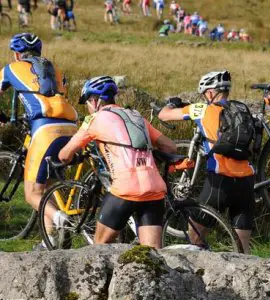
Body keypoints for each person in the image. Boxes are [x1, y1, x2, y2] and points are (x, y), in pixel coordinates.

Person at [57, 76, 177, 248]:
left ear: (95, 100)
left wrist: (65, 158)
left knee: (99, 247)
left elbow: (64, 155)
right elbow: (171, 147)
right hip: (154, 188)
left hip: (125, 190)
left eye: (88, 102)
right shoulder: (136, 116)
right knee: (153, 255)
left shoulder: (94, 119)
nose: (89, 107)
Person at [158, 71, 255, 253]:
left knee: (194, 238)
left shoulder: (202, 109)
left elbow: (164, 115)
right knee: (243, 251)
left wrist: (173, 103)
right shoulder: (242, 109)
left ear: (210, 93)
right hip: (247, 181)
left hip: (219, 181)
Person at [0, 33, 78, 250]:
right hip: (71, 127)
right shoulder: (53, 68)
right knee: (48, 188)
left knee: (33, 194)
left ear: (16, 53)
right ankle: (50, 241)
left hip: (45, 129)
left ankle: (62, 221)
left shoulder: (10, 68)